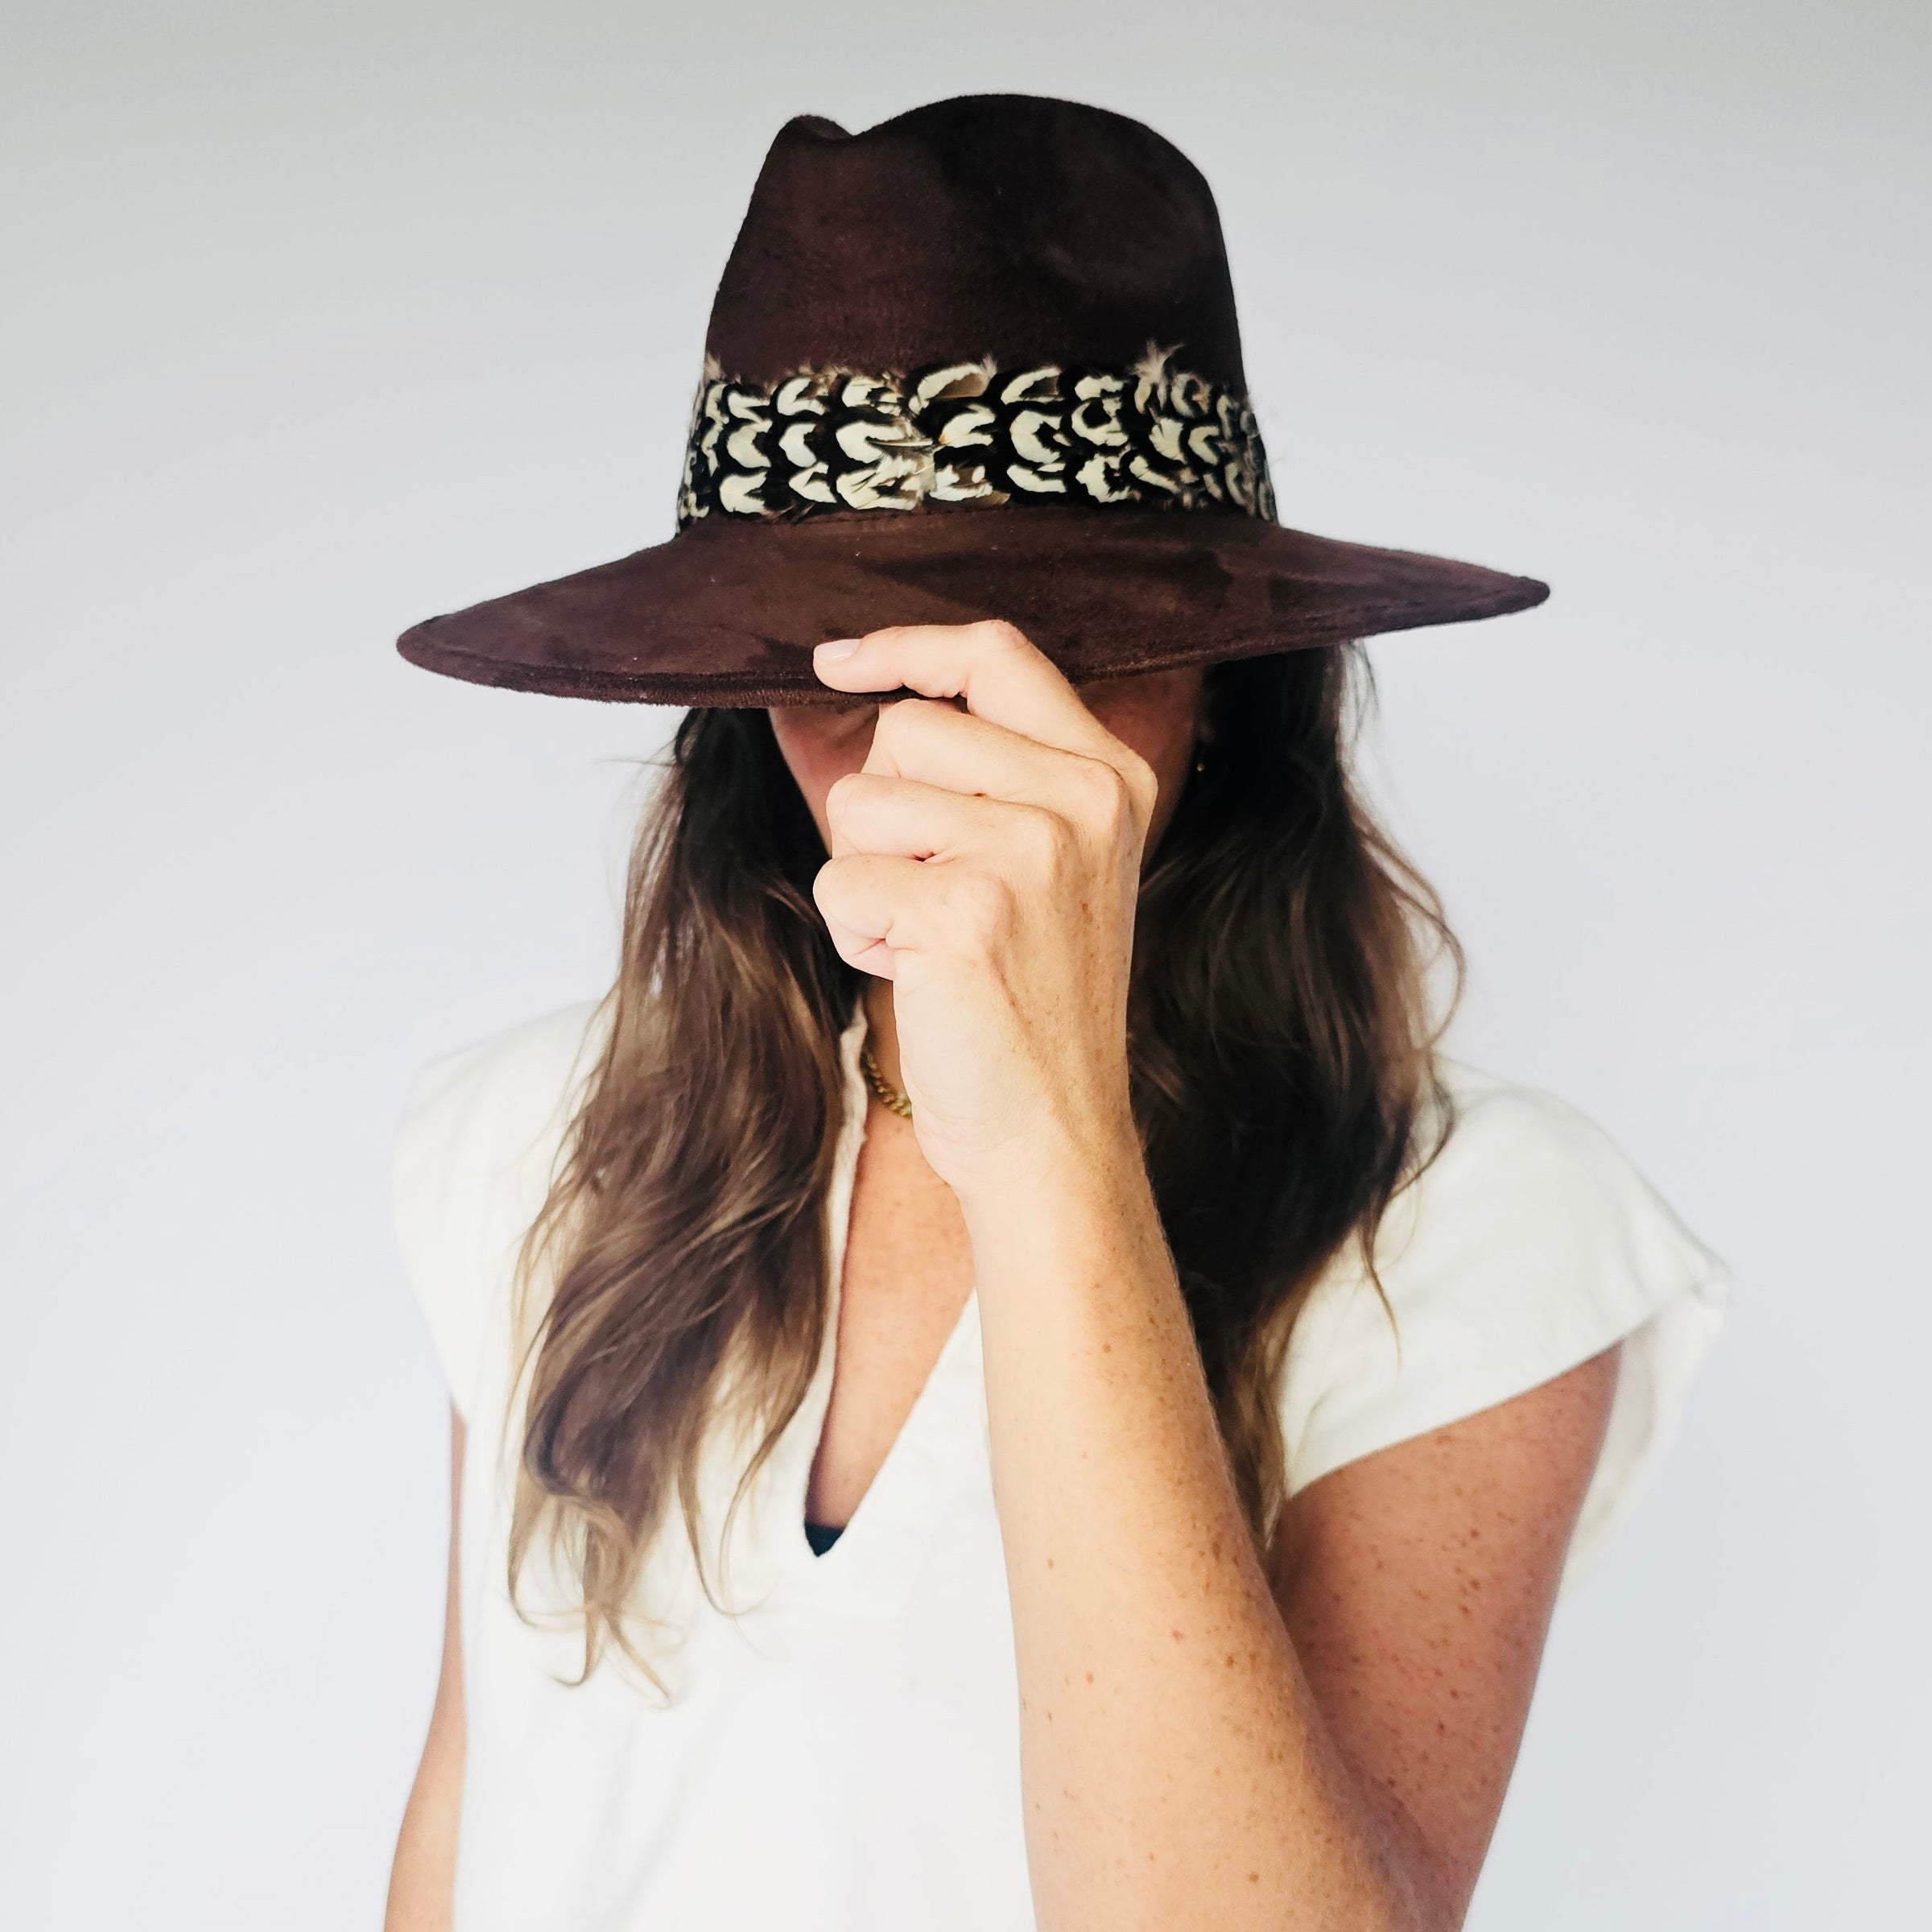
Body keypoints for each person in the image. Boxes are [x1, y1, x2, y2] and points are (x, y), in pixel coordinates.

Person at [382, 94, 1730, 1932]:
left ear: (1233, 671)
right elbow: (473, 1839)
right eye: (837, 647)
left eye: (1061, 638)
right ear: (733, 680)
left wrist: (1049, 1140)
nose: (945, 721)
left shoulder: (1474, 1231)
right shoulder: (527, 1149)